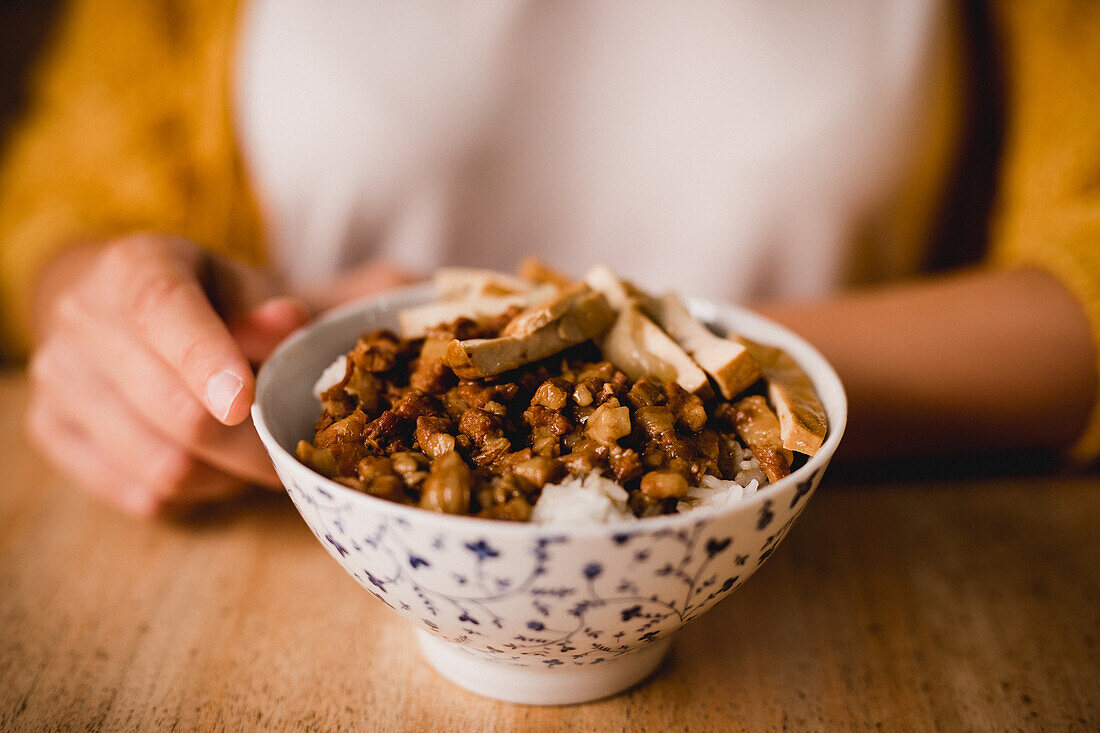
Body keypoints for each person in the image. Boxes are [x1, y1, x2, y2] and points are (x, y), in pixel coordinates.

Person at [1, 0, 1096, 517]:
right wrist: (117, 319)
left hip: (849, 560)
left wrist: (657, 378)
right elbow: (59, 207)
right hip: (286, 551)